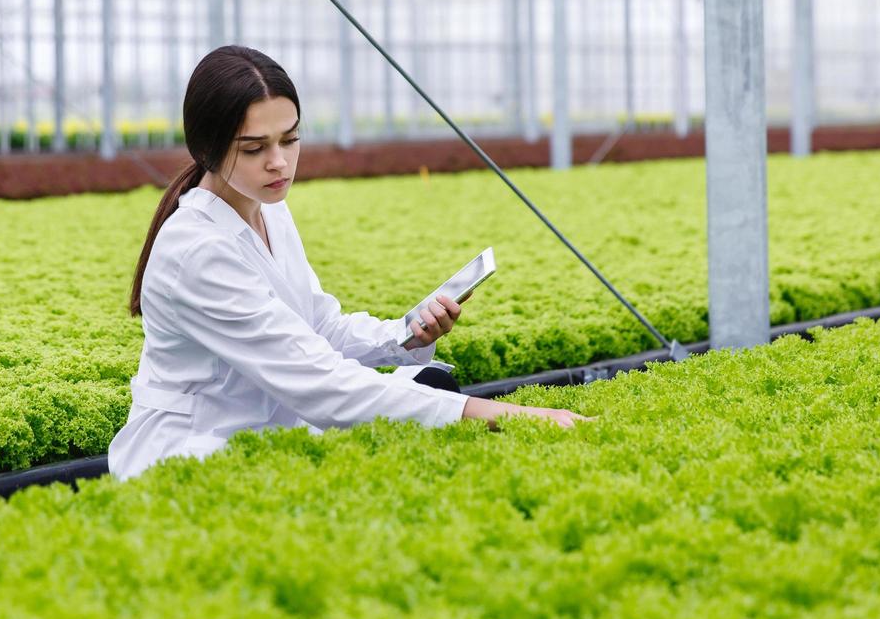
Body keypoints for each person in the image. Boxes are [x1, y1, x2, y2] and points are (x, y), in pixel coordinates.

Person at [108, 46, 591, 479]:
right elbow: (319, 380)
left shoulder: (268, 209)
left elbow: (318, 326)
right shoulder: (197, 251)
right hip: (192, 453)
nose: (279, 162)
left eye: (290, 140)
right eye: (255, 149)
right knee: (424, 410)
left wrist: (403, 335)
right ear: (206, 149)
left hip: (267, 430)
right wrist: (494, 413)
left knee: (427, 384)